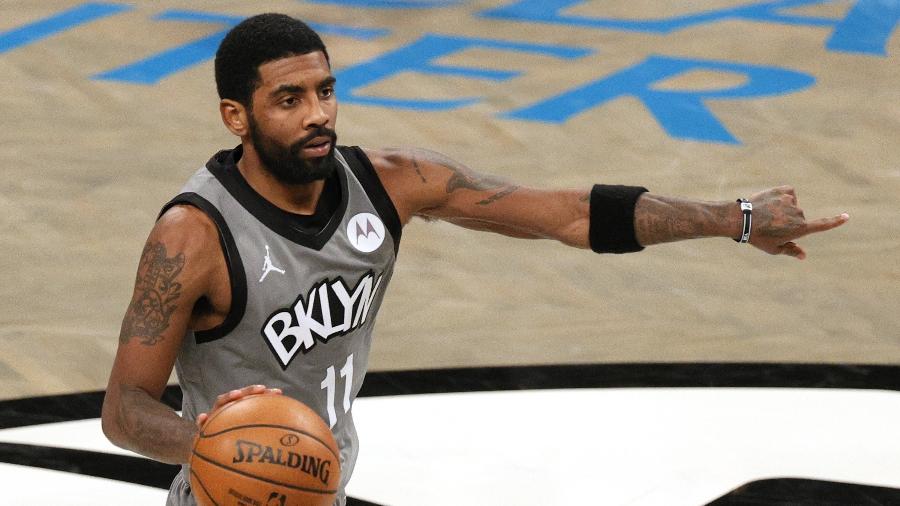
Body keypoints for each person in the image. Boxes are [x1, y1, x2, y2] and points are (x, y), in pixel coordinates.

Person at [100, 13, 849, 506]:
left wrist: (735, 218)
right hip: (233, 494)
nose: (319, 113)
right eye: (288, 99)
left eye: (325, 91)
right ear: (237, 116)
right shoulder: (192, 236)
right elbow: (124, 409)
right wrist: (208, 442)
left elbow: (571, 213)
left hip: (322, 483)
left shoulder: (392, 182)